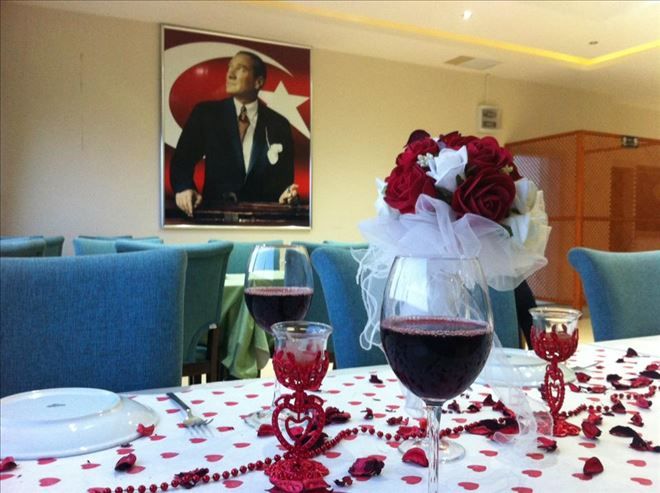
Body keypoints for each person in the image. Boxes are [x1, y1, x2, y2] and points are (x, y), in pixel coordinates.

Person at [170, 51, 297, 217]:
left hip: (262, 220)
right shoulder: (206, 114)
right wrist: (185, 188)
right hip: (214, 217)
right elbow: (181, 162)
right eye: (230, 67)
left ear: (258, 82)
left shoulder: (279, 124)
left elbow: (285, 182)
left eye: (241, 68)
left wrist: (285, 195)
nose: (230, 74)